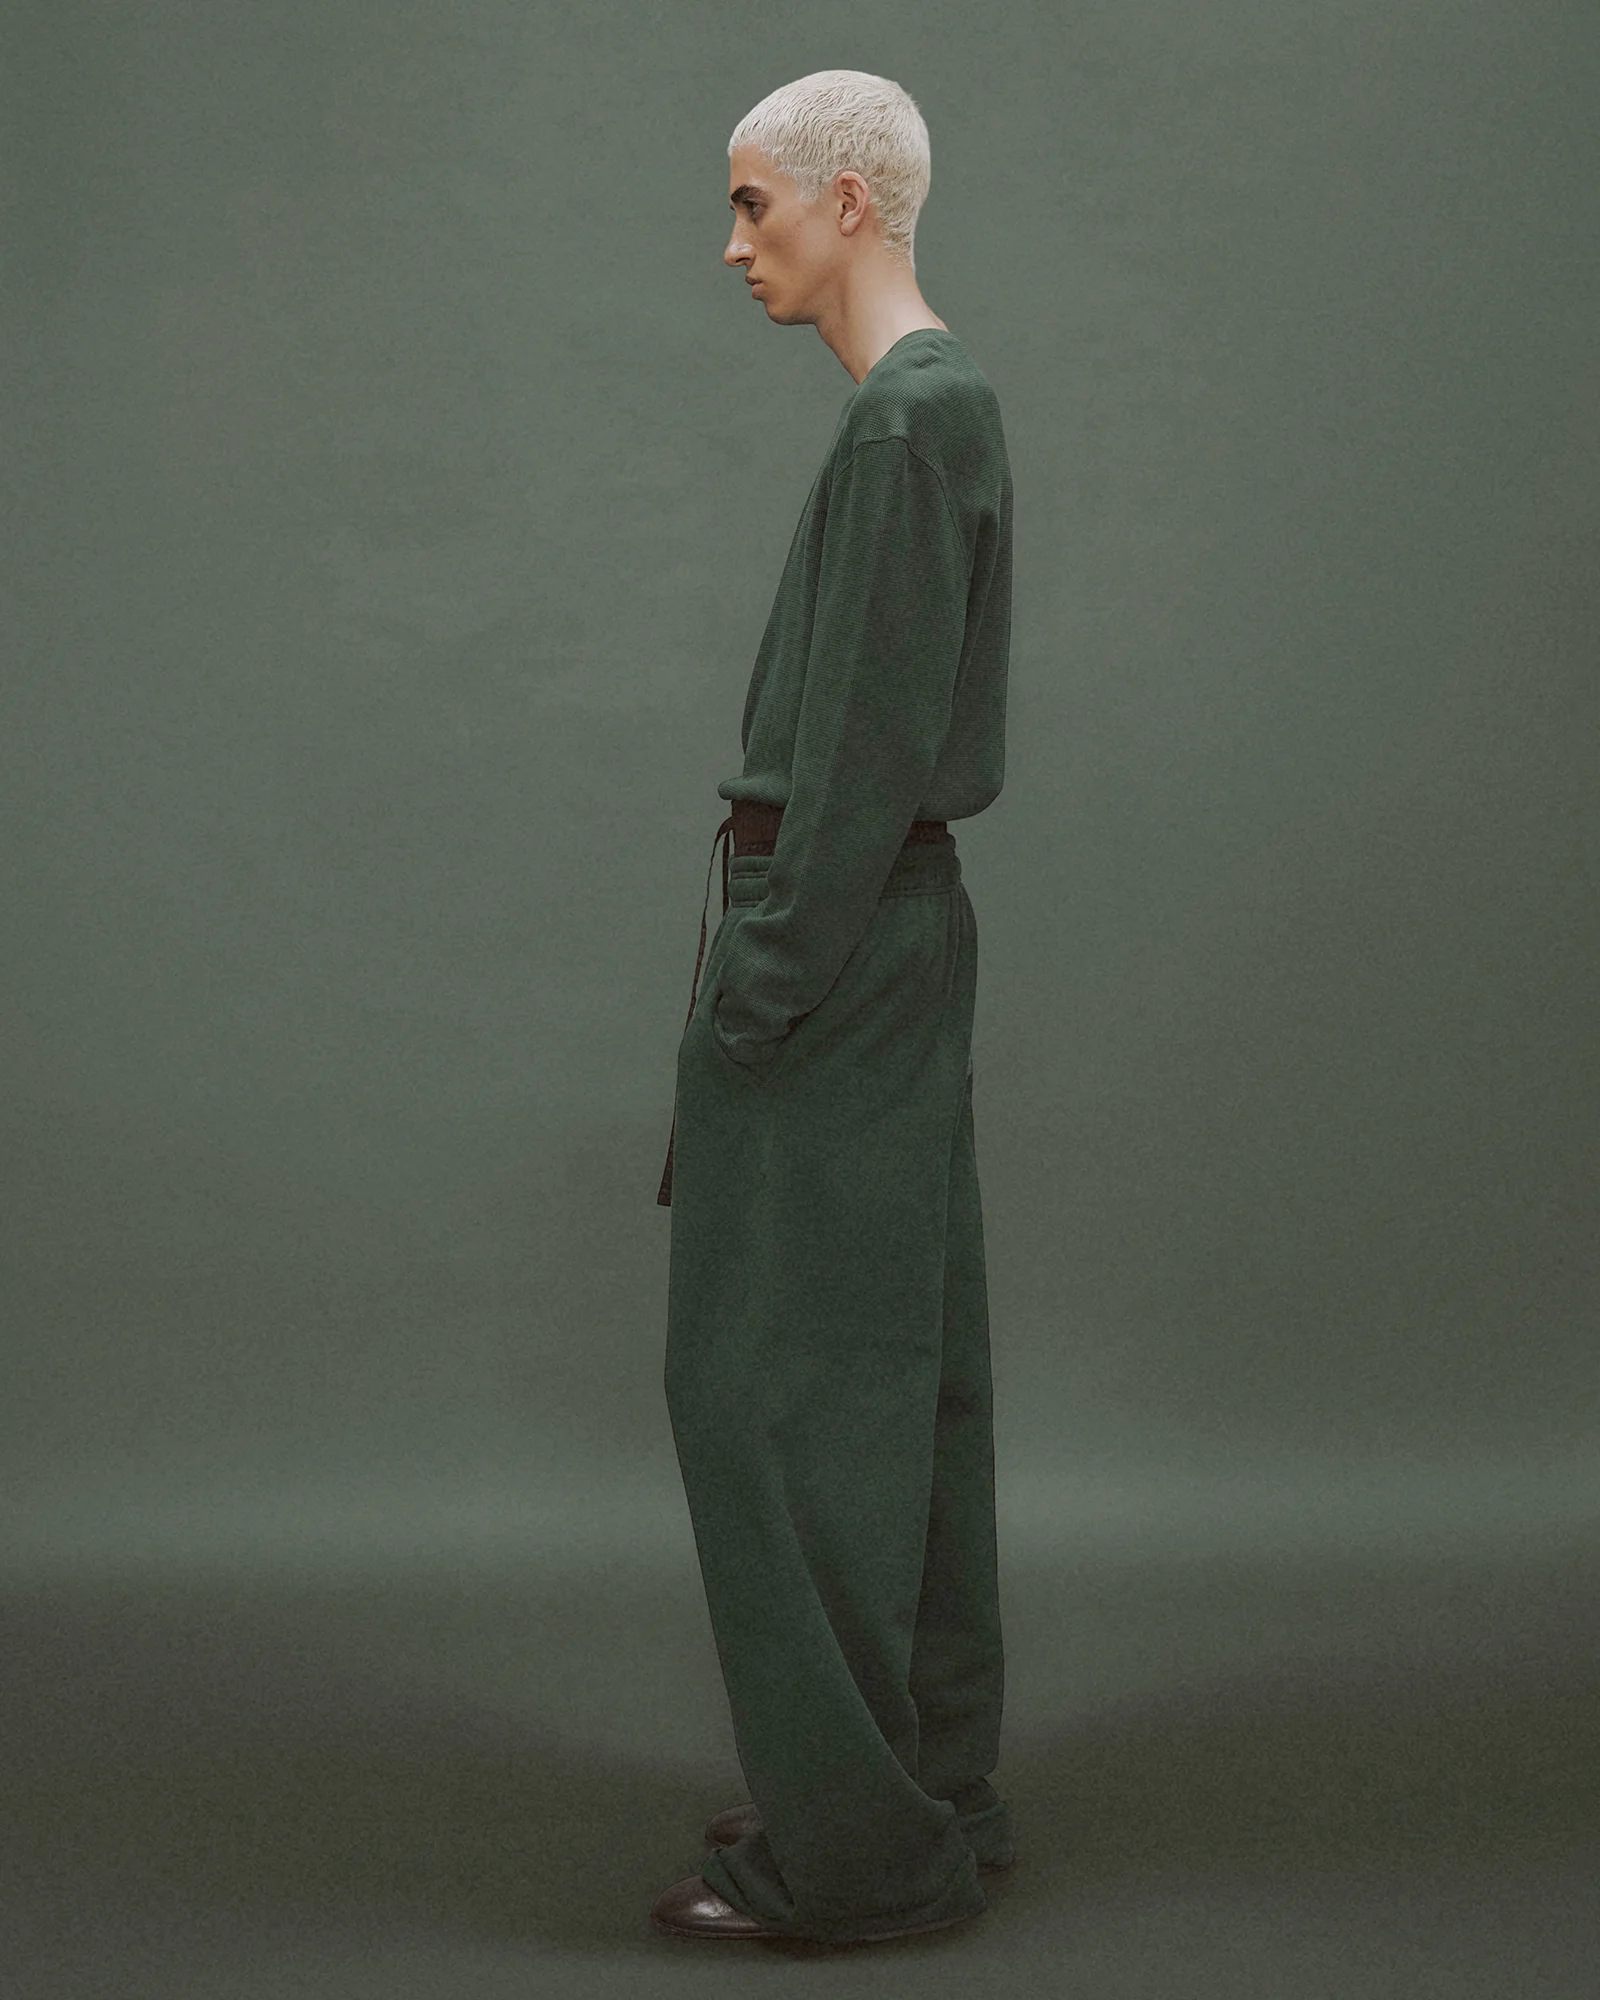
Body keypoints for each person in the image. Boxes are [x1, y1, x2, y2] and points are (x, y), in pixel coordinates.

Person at [652, 68, 1016, 1947]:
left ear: (849, 203)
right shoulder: (942, 408)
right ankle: (915, 1788)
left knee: (768, 1393)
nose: (734, 245)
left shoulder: (903, 427)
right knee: (902, 1369)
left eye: (754, 205)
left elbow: (863, 755)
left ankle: (858, 1851)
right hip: (895, 936)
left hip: (837, 936)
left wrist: (758, 988)